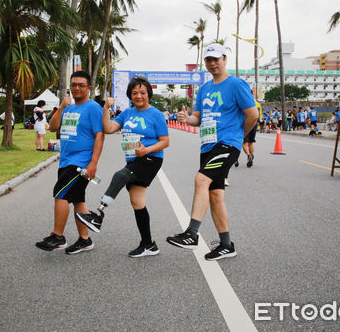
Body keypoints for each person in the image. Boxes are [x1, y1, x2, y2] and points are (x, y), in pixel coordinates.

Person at [166, 43, 258, 261]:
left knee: (200, 180)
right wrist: (186, 119)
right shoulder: (205, 89)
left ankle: (192, 233)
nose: (212, 63)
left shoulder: (236, 84)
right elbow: (198, 118)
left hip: (227, 144)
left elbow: (252, 114)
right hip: (207, 145)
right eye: (208, 60)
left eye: (216, 58)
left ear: (224, 59)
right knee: (215, 195)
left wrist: (237, 136)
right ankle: (226, 245)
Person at [75, 76, 170, 257]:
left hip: (150, 159)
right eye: (135, 93)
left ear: (148, 93)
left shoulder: (156, 114)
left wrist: (146, 150)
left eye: (142, 92)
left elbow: (165, 142)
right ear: (130, 95)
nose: (139, 96)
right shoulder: (127, 113)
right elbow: (109, 128)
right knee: (137, 203)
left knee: (120, 176)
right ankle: (149, 244)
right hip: (134, 160)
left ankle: (98, 215)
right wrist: (106, 108)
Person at [35, 71, 104, 254]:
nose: (77, 88)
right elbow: (54, 128)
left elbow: (99, 135)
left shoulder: (93, 107)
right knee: (77, 199)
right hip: (65, 161)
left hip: (81, 162)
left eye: (81, 85)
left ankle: (58, 236)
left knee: (60, 193)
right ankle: (85, 240)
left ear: (89, 88)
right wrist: (62, 107)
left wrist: (93, 163)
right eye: (74, 85)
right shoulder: (69, 107)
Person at [238, 89, 261, 168]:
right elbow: (259, 116)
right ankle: (252, 155)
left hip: (246, 124)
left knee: (244, 143)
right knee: (251, 142)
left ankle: (248, 155)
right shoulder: (258, 104)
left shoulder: (244, 102)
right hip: (254, 124)